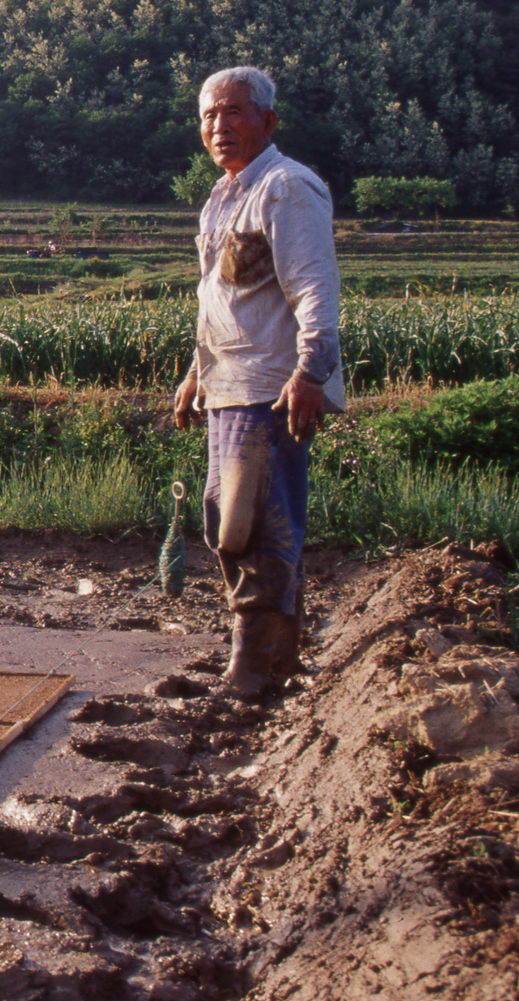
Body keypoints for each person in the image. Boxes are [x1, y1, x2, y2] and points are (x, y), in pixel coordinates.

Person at [171, 66, 343, 699]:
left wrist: (310, 372)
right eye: (211, 115)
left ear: (268, 121)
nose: (221, 125)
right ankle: (277, 660)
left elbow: (315, 287)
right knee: (233, 517)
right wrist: (195, 372)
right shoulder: (224, 195)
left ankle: (253, 666)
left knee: (251, 523)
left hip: (270, 385)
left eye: (235, 112)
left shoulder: (286, 188)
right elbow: (219, 299)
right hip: (228, 383)